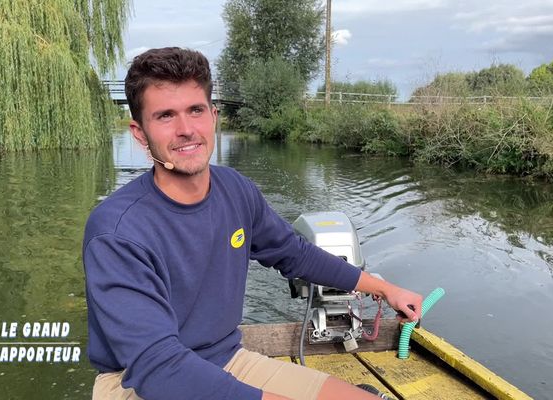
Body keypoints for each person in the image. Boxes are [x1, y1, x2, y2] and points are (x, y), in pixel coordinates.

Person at [82, 47, 423, 400]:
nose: (186, 130)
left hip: (228, 359)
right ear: (140, 133)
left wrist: (385, 289)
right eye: (165, 116)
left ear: (213, 116)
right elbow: (158, 366)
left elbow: (296, 254)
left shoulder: (236, 190)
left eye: (196, 110)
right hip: (138, 382)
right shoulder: (116, 231)